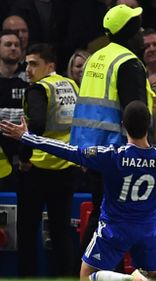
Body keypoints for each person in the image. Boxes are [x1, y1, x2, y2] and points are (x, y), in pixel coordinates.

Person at [0, 101, 156, 281]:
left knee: (87, 275)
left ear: (123, 126)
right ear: (149, 124)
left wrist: (26, 136)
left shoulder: (111, 157)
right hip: (150, 229)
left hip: (114, 228)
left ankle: (127, 280)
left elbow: (68, 151)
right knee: (153, 276)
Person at [69, 4, 156, 262]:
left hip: (93, 150)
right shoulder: (128, 63)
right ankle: (90, 271)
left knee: (104, 217)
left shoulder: (96, 58)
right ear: (129, 33)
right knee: (112, 221)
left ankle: (93, 272)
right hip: (120, 153)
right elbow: (135, 113)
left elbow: (89, 109)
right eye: (138, 28)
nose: (142, 33)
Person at [17, 43, 79, 277]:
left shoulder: (38, 90)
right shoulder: (71, 85)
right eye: (27, 64)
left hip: (37, 168)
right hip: (66, 166)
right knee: (61, 231)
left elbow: (37, 125)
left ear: (50, 65)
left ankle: (27, 276)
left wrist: (24, 158)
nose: (28, 69)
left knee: (27, 230)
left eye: (34, 64)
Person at [0, 30, 28, 191]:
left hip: (24, 149)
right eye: (8, 44)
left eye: (17, 45)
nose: (13, 48)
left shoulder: (30, 76)